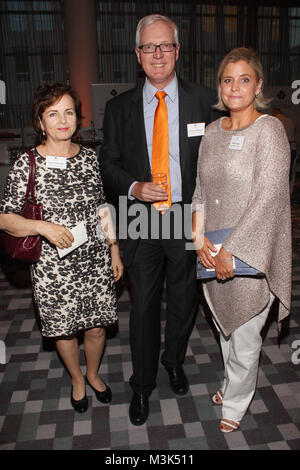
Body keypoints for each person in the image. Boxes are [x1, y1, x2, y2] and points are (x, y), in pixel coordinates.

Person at [99, 14, 218, 425]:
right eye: (149, 47)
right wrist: (133, 187)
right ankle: (143, 385)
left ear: (177, 50)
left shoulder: (205, 101)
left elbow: (217, 162)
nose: (158, 54)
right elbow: (107, 163)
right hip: (140, 218)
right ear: (137, 54)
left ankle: (174, 361)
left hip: (187, 215)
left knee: (185, 301)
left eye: (165, 45)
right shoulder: (118, 108)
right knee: (145, 304)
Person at [0, 83, 123, 413]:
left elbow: (101, 206)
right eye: (53, 113)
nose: (62, 120)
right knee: (63, 330)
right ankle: (77, 379)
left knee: (97, 326)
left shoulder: (88, 158)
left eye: (68, 112)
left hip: (94, 257)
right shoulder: (27, 164)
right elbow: (5, 218)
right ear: (40, 121)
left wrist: (113, 248)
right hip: (52, 266)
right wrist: (44, 228)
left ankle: (93, 374)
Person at [192, 48, 291, 433]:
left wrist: (232, 249)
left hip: (250, 251)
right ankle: (231, 382)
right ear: (220, 86)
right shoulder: (212, 132)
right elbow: (200, 190)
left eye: (244, 79)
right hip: (210, 247)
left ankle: (235, 403)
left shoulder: (270, 130)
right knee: (225, 327)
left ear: (259, 85)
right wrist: (196, 236)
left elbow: (268, 196)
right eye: (227, 79)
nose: (235, 87)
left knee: (247, 333)